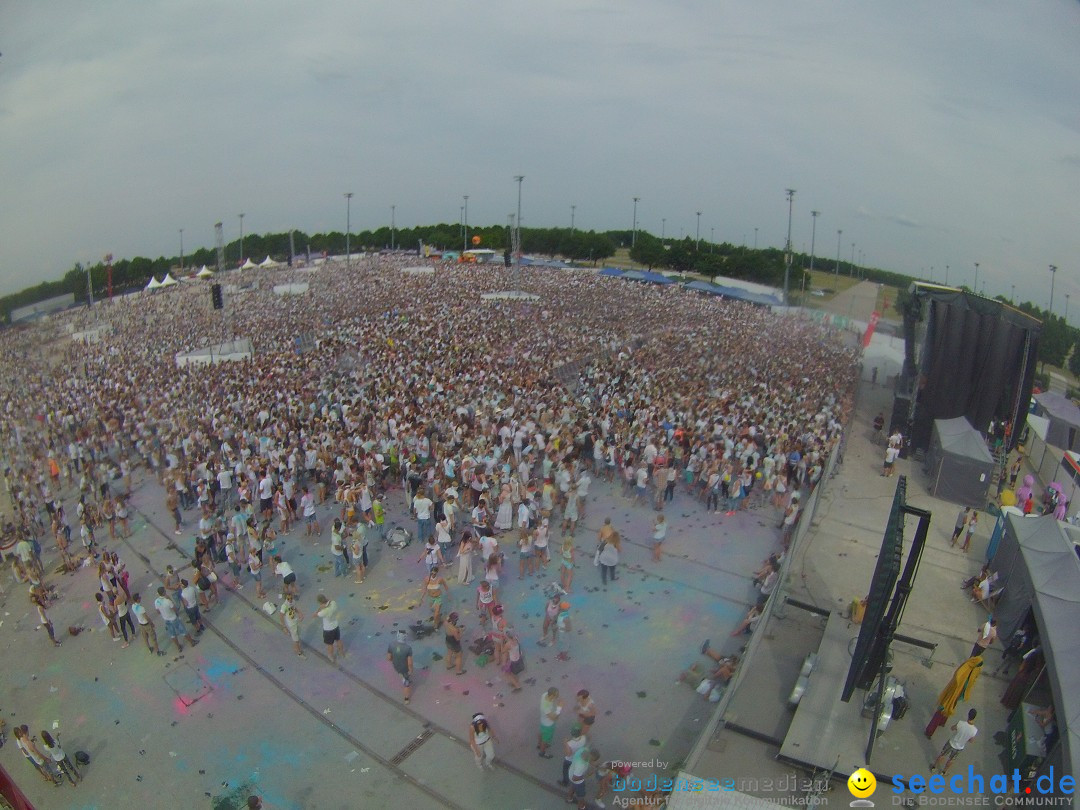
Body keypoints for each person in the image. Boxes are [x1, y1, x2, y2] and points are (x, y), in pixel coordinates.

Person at [931, 708, 978, 775]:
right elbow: (971, 740)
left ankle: (934, 767)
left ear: (968, 715)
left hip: (951, 742)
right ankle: (944, 772)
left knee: (942, 755)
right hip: (960, 747)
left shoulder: (961, 723)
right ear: (974, 717)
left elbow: (952, 728)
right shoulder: (974, 730)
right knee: (951, 759)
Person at [154, 586, 197, 653]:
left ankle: (178, 647)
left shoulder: (156, 601)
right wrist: (170, 600)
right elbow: (175, 609)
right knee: (183, 631)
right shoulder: (167, 601)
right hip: (173, 618)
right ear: (164, 592)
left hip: (166, 620)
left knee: (172, 634)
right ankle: (191, 642)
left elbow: (158, 611)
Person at [130, 592, 163, 656]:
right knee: (153, 638)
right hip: (146, 624)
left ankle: (149, 648)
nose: (140, 598)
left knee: (145, 637)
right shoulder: (141, 608)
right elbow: (146, 617)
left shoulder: (133, 606)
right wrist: (152, 623)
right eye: (139, 597)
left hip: (141, 624)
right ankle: (158, 651)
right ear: (137, 600)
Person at [315, 594, 345, 663]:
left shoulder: (324, 611)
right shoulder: (333, 603)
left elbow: (315, 615)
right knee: (338, 640)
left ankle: (331, 656)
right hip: (335, 626)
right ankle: (341, 652)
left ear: (319, 602)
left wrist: (320, 608)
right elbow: (330, 600)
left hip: (328, 629)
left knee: (330, 644)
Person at [387, 629, 414, 704]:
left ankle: (402, 676)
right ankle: (406, 698)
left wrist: (395, 660)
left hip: (396, 665)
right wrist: (411, 670)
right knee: (406, 684)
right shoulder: (408, 648)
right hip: (404, 668)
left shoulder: (391, 644)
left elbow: (389, 658)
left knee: (400, 673)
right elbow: (409, 663)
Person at [560, 723, 588, 787]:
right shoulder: (583, 738)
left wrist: (565, 743)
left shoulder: (570, 743)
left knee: (565, 769)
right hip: (578, 758)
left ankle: (565, 781)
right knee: (574, 769)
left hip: (569, 759)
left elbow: (568, 754)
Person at [538, 687, 563, 758]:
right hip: (548, 725)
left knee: (542, 733)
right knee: (545, 740)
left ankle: (539, 744)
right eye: (556, 696)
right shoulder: (546, 707)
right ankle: (542, 752)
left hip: (543, 721)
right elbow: (554, 718)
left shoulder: (545, 694)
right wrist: (559, 708)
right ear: (552, 696)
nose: (557, 697)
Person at [279, 592, 305, 657]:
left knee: (297, 635)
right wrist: (284, 627)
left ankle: (295, 647)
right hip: (291, 624)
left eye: (291, 598)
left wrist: (299, 613)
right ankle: (299, 652)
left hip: (295, 621)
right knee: (296, 639)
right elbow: (281, 616)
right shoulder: (284, 606)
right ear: (286, 598)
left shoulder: (293, 601)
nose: (290, 600)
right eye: (288, 599)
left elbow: (294, 608)